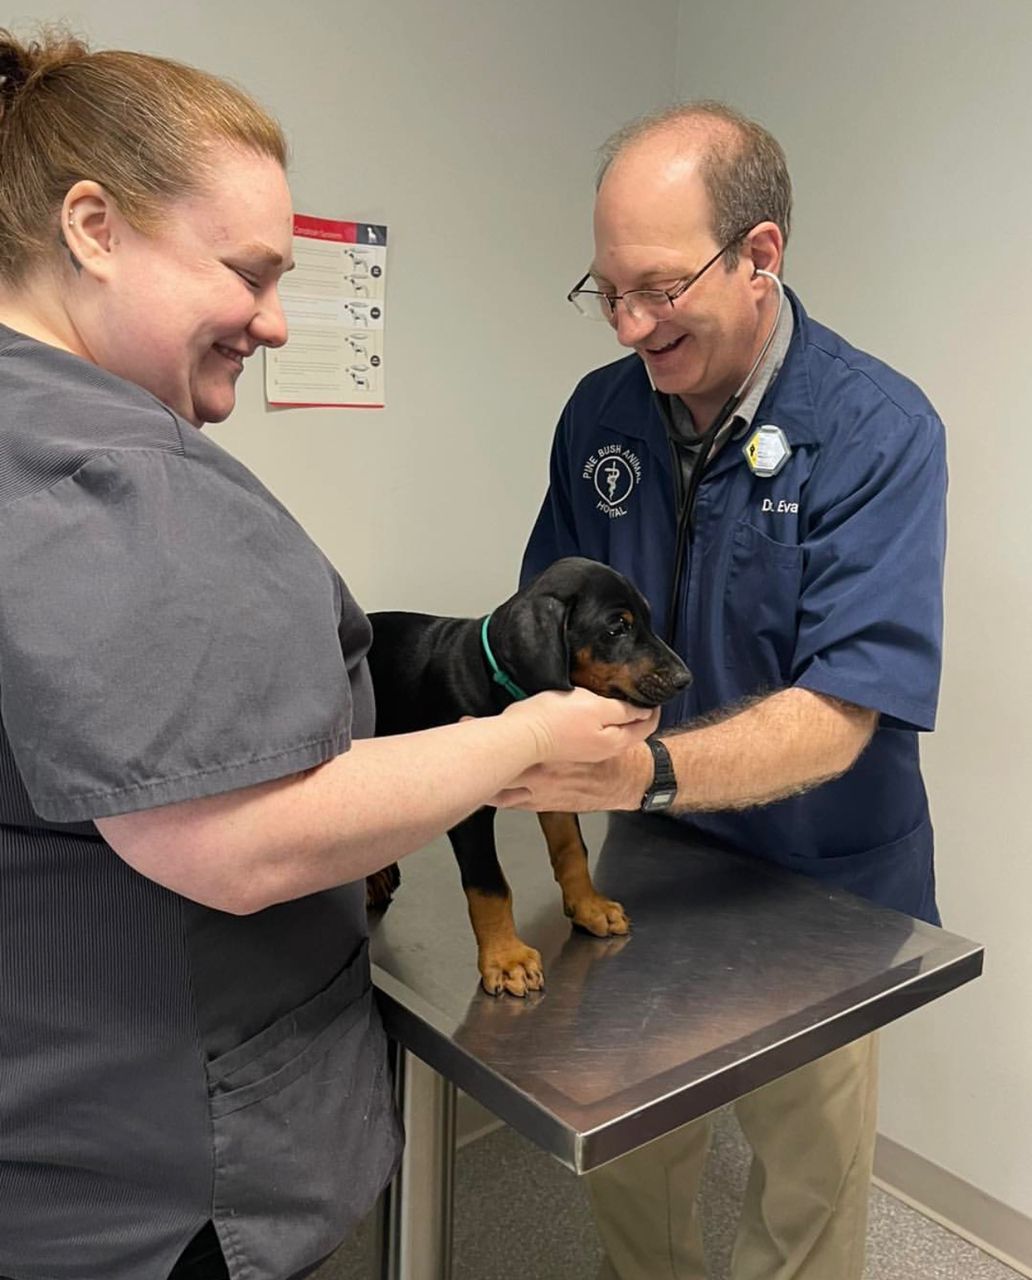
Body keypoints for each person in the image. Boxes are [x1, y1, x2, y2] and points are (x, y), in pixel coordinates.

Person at [0, 30, 658, 1280]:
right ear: (92, 226)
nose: (276, 321)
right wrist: (521, 738)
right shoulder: (107, 473)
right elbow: (240, 840)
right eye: (246, 273)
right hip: (159, 1171)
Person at [503, 101, 947, 1280]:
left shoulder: (876, 429)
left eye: (657, 288)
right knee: (634, 1155)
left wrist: (643, 767)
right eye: (606, 292)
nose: (631, 324)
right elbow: (546, 621)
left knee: (806, 1182)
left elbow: (845, 703)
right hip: (647, 867)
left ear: (761, 257)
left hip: (824, 882)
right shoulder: (600, 415)